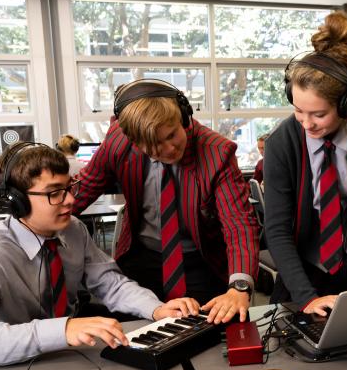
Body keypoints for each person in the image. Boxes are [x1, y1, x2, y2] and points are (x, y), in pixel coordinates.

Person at [0, 142, 198, 369]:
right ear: (16, 201)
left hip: (69, 360)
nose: (70, 200)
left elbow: (110, 284)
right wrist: (62, 329)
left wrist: (156, 309)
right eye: (54, 192)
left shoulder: (74, 230)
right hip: (11, 368)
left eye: (69, 188)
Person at [73, 79, 260, 325]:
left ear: (183, 117)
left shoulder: (217, 152)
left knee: (201, 333)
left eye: (171, 135)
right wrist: (31, 216)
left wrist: (239, 286)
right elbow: (82, 189)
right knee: (132, 332)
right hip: (141, 255)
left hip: (199, 260)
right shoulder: (119, 142)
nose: (168, 149)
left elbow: (239, 224)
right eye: (152, 147)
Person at [264, 12, 347, 316]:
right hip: (303, 270)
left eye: (319, 114)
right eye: (298, 110)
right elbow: (277, 229)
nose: (306, 123)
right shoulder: (281, 143)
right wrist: (307, 298)